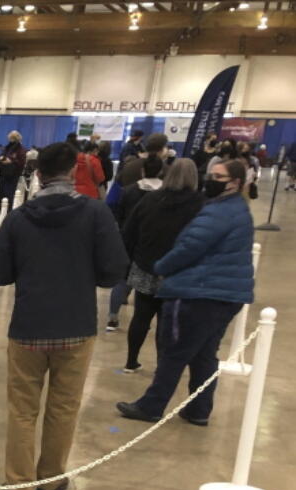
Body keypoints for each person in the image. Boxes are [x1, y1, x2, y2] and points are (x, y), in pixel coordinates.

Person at [0, 141, 128, 490]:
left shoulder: (19, 217)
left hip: (29, 326)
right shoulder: (96, 214)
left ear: (38, 174)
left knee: (22, 408)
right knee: (64, 407)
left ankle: (19, 485)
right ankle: (51, 479)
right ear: (74, 171)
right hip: (77, 325)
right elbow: (113, 272)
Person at [116, 158, 253, 426]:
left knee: (174, 351)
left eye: (218, 176)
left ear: (235, 183)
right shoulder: (236, 209)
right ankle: (198, 409)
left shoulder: (218, 213)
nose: (211, 180)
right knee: (203, 355)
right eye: (210, 174)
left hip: (200, 293)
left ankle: (152, 406)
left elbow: (190, 246)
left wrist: (162, 267)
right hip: (225, 294)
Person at [114, 158, 204, 373]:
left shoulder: (150, 200)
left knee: (141, 317)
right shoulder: (200, 203)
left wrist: (130, 261)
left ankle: (131, 361)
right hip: (179, 271)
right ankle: (163, 366)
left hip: (146, 265)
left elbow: (129, 232)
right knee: (168, 321)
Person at [105, 155, 164, 333]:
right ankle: (144, 321)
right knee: (149, 286)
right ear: (161, 171)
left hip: (129, 241)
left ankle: (113, 317)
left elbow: (118, 214)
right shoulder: (165, 194)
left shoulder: (129, 191)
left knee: (122, 281)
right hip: (155, 244)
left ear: (142, 170)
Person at [0, 131, 26, 214]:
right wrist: (2, 159)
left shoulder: (21, 149)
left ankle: (8, 211)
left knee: (9, 194)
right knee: (1, 193)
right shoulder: (7, 147)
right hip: (3, 173)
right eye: (10, 137)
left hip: (13, 175)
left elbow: (21, 162)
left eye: (13, 137)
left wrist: (11, 161)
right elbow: (2, 156)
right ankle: (1, 210)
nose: (11, 139)